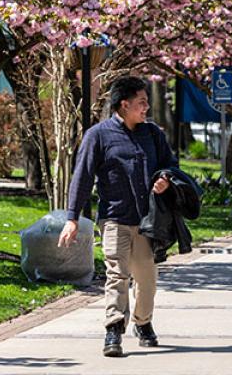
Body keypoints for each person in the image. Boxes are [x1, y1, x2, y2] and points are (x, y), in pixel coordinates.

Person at [58, 76, 178, 357]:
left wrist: (165, 179)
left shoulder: (153, 134)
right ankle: (113, 328)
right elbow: (83, 177)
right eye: (141, 102)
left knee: (147, 278)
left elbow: (170, 165)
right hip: (113, 219)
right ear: (124, 105)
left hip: (147, 221)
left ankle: (143, 321)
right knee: (116, 274)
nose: (147, 107)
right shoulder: (98, 135)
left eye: (147, 102)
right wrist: (72, 217)